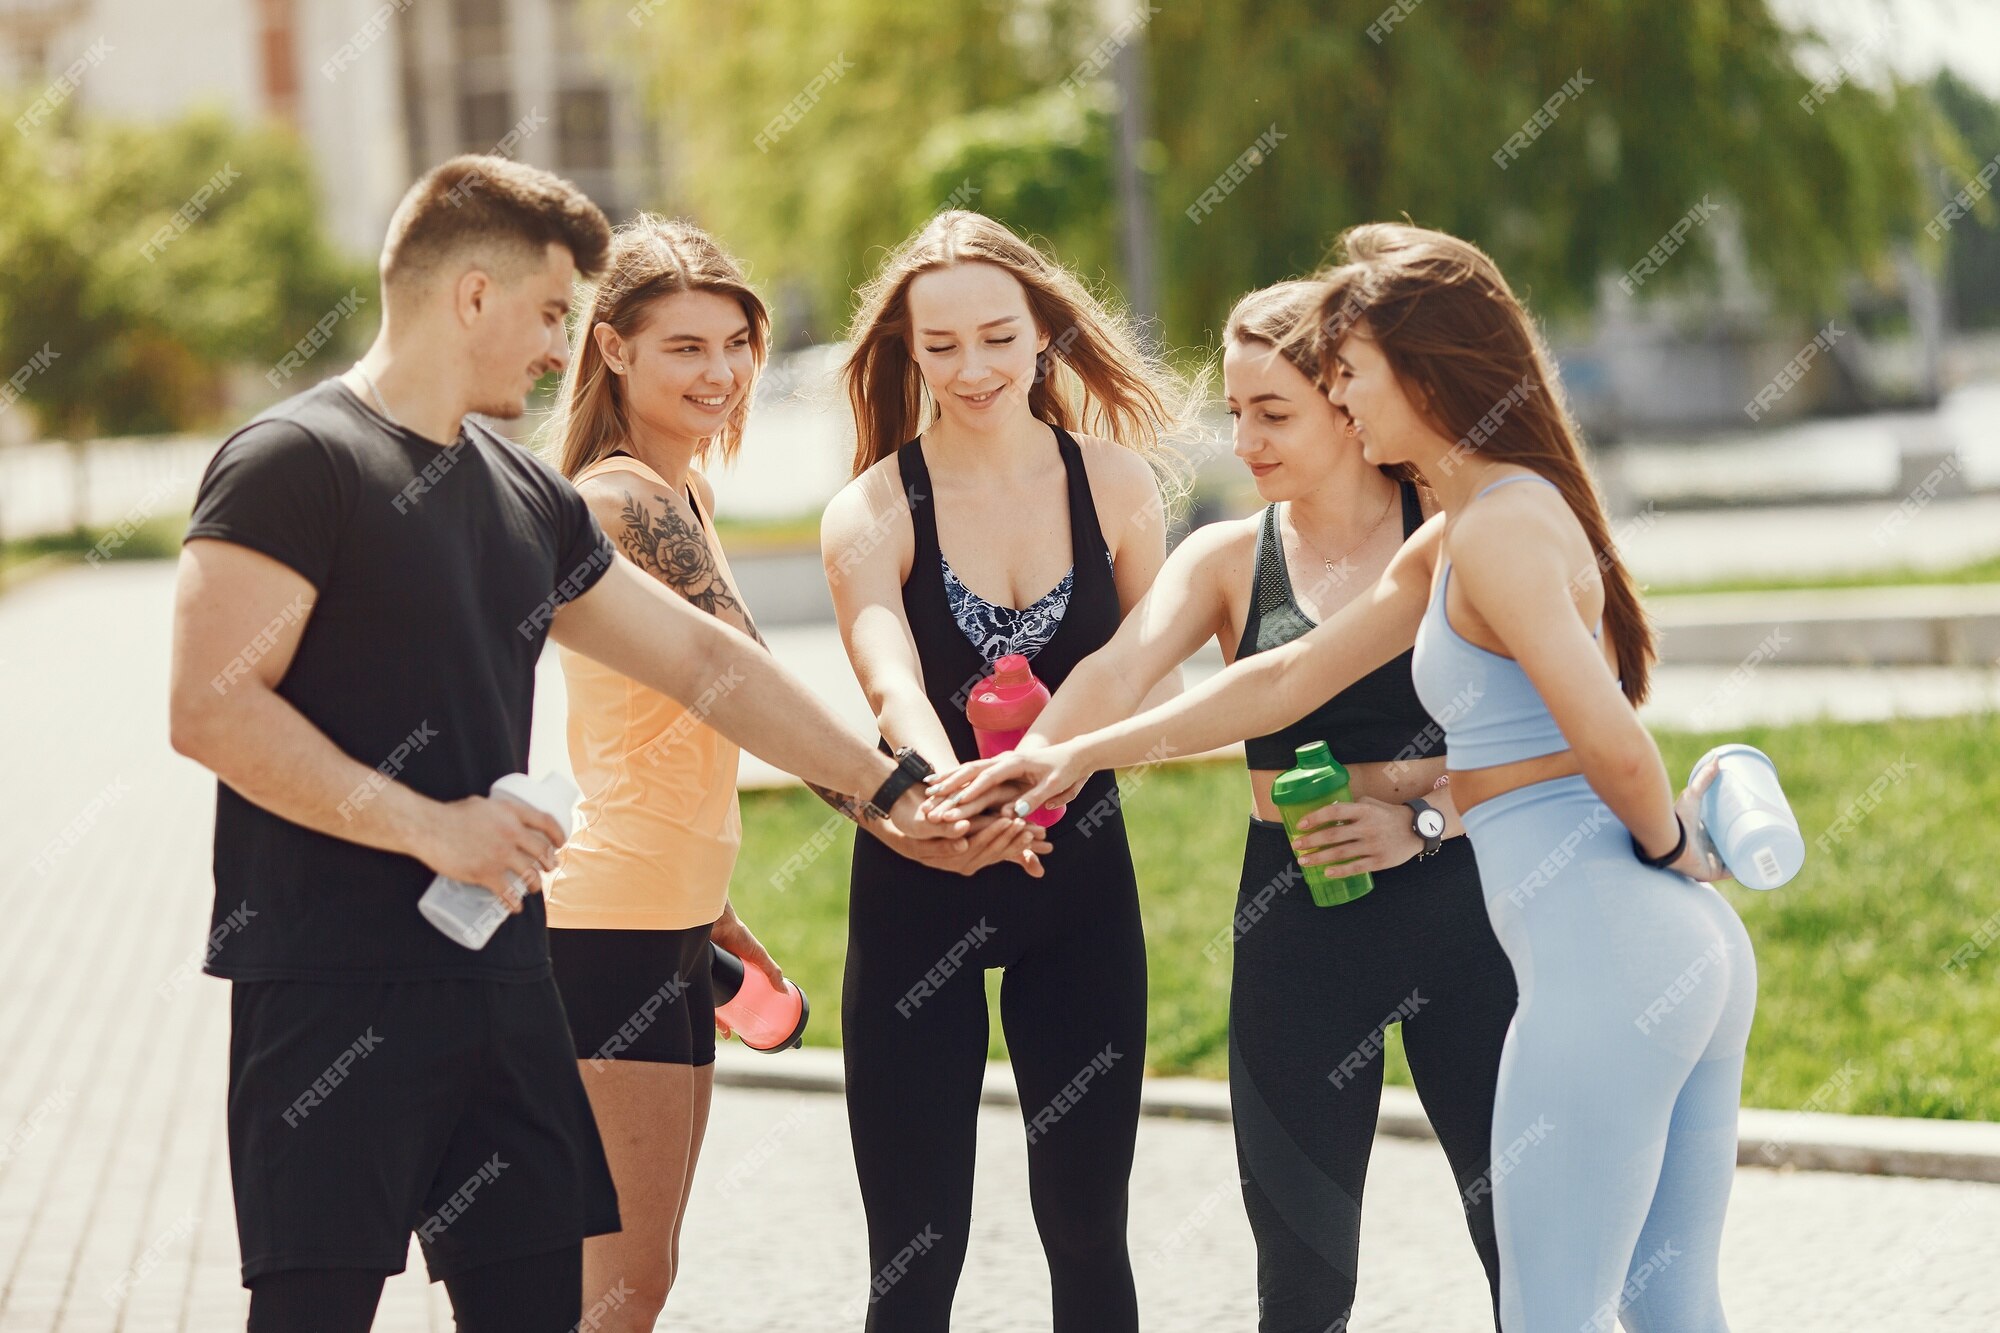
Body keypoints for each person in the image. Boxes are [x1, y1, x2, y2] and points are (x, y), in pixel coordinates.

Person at [168, 155, 964, 1333]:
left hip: (502, 978)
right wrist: (431, 827)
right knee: (314, 1312)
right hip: (326, 985)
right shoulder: (294, 459)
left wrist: (890, 788)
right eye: (551, 313)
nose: (559, 348)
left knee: (555, 1302)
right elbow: (210, 709)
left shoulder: (519, 493)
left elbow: (705, 662)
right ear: (472, 295)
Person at [928, 224, 1752, 1333]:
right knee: (1649, 1300)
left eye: (1332, 383)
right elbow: (1282, 678)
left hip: (1566, 941)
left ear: (1406, 375)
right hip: (1537, 940)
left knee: (1549, 1298)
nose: (1322, 407)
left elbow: (1605, 736)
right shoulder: (1458, 533)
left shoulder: (1488, 527)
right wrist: (1063, 757)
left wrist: (1647, 843)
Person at [1005, 279, 1515, 1331]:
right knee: (1300, 1276)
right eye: (1233, 411)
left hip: (1470, 913)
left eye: (1271, 412)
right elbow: (1113, 675)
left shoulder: (1456, 531)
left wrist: (1423, 820)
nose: (1242, 440)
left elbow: (1554, 733)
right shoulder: (1228, 557)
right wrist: (1024, 766)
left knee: (1523, 1241)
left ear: (1349, 398)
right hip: (1295, 923)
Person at [820, 209, 1186, 1331]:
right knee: (916, 1253)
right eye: (939, 346)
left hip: (1075, 890)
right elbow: (886, 679)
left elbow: (1140, 675)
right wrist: (944, 792)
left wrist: (1043, 766)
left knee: (1086, 1231)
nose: (970, 368)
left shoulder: (1117, 487)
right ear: (907, 353)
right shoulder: (872, 506)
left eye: (996, 336)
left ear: (1044, 334)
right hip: (917, 881)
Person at [539, 215, 799, 1330]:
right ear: (613, 349)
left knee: (632, 1281)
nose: (722, 371)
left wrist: (716, 905)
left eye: (736, 342)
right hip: (612, 928)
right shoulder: (622, 501)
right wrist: (899, 801)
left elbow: (657, 734)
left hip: (671, 916)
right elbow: (749, 681)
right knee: (617, 1288)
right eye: (685, 346)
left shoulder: (674, 491)